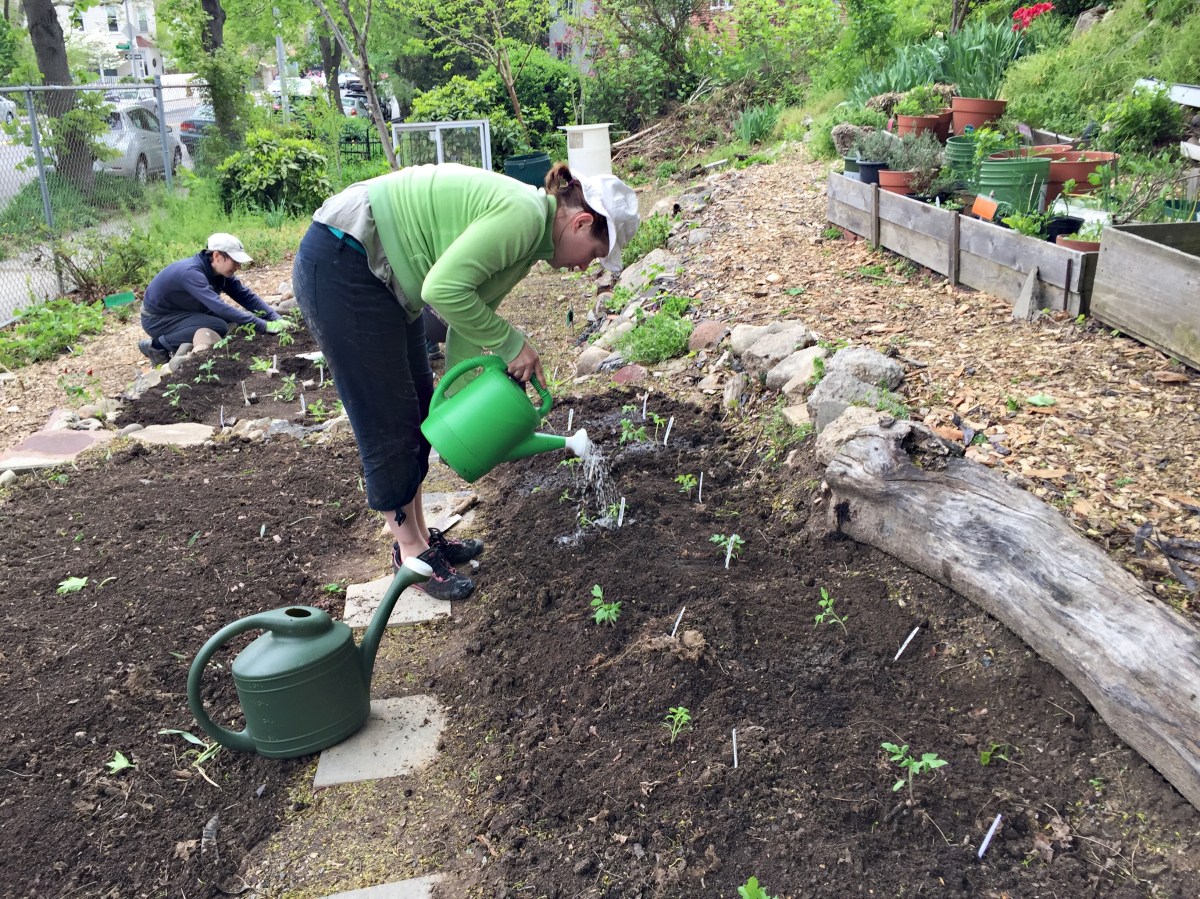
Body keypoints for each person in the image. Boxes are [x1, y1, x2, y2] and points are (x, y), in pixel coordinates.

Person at [292, 162, 639, 601]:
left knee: (418, 410)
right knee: (389, 420)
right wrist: (513, 343)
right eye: (592, 255)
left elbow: (463, 322)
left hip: (380, 278)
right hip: (347, 259)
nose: (583, 267)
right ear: (581, 221)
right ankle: (411, 553)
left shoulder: (531, 242)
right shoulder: (523, 216)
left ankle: (417, 535)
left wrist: (456, 404)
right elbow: (443, 289)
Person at [138, 233, 294, 365]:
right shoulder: (191, 273)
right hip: (158, 319)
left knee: (232, 321)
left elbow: (245, 296)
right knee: (218, 325)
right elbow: (219, 307)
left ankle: (176, 336)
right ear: (217, 256)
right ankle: (156, 346)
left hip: (183, 310)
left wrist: (275, 317)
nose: (238, 267)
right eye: (235, 261)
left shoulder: (218, 273)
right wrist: (265, 326)